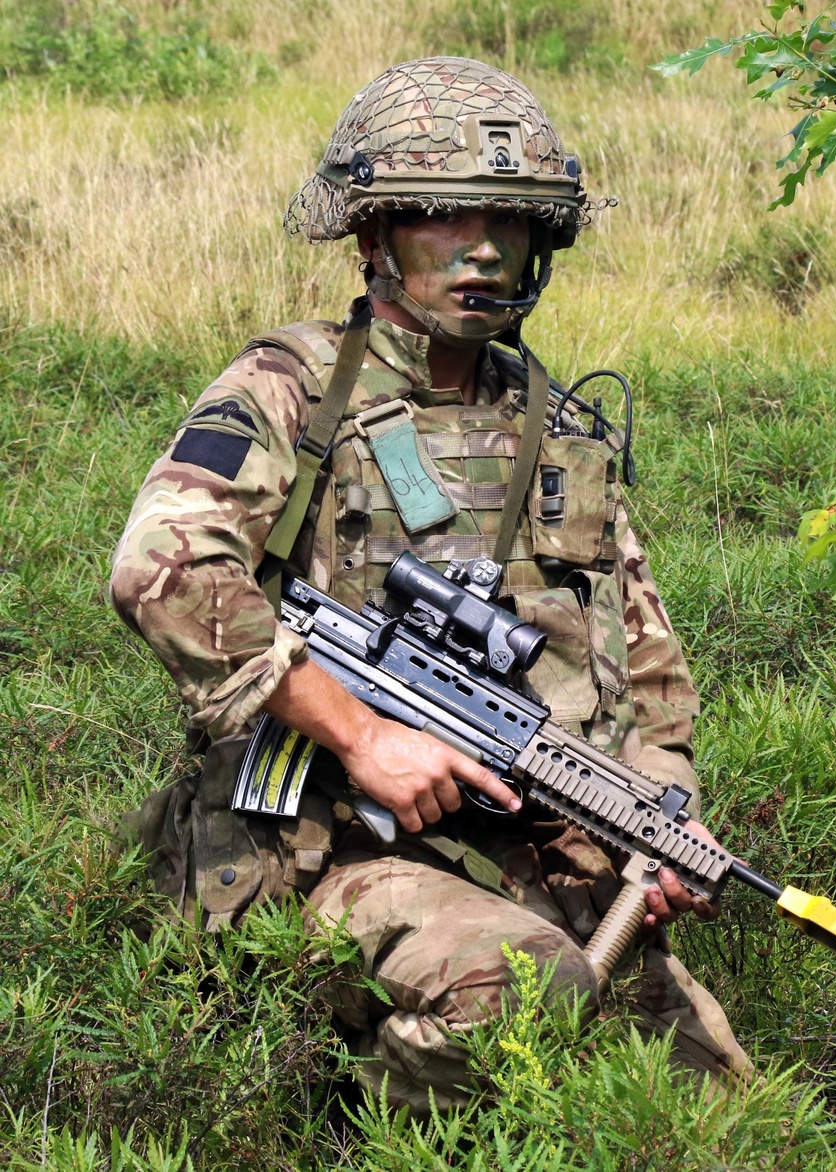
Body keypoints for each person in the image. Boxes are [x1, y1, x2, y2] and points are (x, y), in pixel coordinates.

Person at [111, 56, 751, 1114]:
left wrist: (663, 818)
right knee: (521, 984)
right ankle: (345, 1121)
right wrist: (363, 736)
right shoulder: (294, 389)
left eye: (511, 221)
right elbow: (162, 568)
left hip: (531, 841)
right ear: (372, 234)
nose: (487, 249)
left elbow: (648, 669)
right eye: (445, 220)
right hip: (319, 845)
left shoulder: (559, 428)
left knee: (707, 1104)